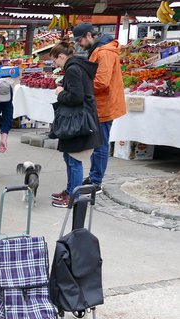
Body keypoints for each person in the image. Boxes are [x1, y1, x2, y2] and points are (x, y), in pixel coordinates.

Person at [73, 22, 126, 193]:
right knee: (97, 144)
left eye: (79, 40)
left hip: (104, 105)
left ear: (89, 35)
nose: (79, 44)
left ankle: (96, 182)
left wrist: (81, 87)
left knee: (100, 145)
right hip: (99, 104)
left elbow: (101, 82)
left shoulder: (104, 52)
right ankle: (94, 176)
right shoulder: (99, 50)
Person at [49, 42, 102, 208]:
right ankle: (70, 190)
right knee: (69, 156)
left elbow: (76, 97)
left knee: (74, 160)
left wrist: (60, 93)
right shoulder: (78, 66)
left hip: (77, 121)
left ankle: (74, 196)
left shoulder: (72, 69)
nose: (55, 65)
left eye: (55, 61)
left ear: (62, 56)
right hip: (80, 118)